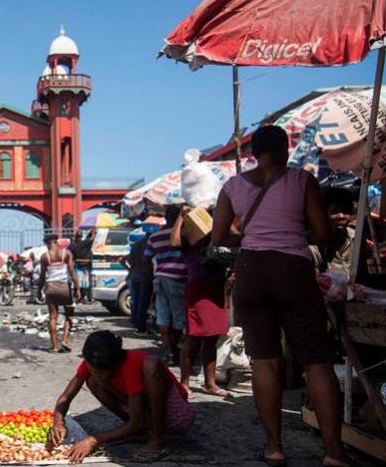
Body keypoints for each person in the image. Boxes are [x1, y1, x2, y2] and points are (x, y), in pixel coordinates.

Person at [213, 125, 351, 467]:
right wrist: (289, 231)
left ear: (253, 153)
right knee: (316, 362)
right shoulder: (301, 181)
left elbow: (218, 237)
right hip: (293, 271)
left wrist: (250, 235)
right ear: (286, 150)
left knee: (265, 360)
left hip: (251, 272)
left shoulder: (232, 186)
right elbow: (321, 233)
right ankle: (333, 452)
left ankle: (274, 447)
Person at [49, 331, 194, 463]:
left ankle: (157, 439)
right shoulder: (93, 360)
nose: (98, 376)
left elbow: (136, 422)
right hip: (143, 414)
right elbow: (66, 397)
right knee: (92, 381)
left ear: (116, 364)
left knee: (152, 365)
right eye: (94, 371)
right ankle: (140, 432)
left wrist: (93, 440)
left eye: (102, 373)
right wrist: (58, 421)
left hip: (176, 417)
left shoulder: (130, 365)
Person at [169, 207, 230, 399]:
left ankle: (210, 383)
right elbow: (174, 242)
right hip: (199, 289)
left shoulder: (216, 237)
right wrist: (181, 216)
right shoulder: (190, 241)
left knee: (212, 338)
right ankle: (184, 383)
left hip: (217, 289)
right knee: (194, 338)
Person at [144, 206, 188, 366]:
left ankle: (168, 350)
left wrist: (152, 277)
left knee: (162, 316)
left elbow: (146, 259)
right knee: (178, 318)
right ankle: (173, 350)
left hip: (160, 277)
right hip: (178, 278)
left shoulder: (154, 236)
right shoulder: (183, 235)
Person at [37, 234, 80, 353]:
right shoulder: (66, 253)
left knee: (52, 317)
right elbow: (72, 271)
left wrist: (39, 291)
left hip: (50, 288)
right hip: (65, 287)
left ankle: (55, 347)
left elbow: (42, 276)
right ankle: (65, 341)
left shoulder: (44, 257)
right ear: (56, 242)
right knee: (69, 315)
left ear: (47, 244)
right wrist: (77, 288)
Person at [124, 234, 152, 337]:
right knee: (142, 303)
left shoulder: (136, 244)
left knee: (135, 301)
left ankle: (135, 323)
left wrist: (130, 269)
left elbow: (129, 260)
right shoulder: (149, 244)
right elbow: (147, 260)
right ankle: (141, 327)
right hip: (144, 275)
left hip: (134, 275)